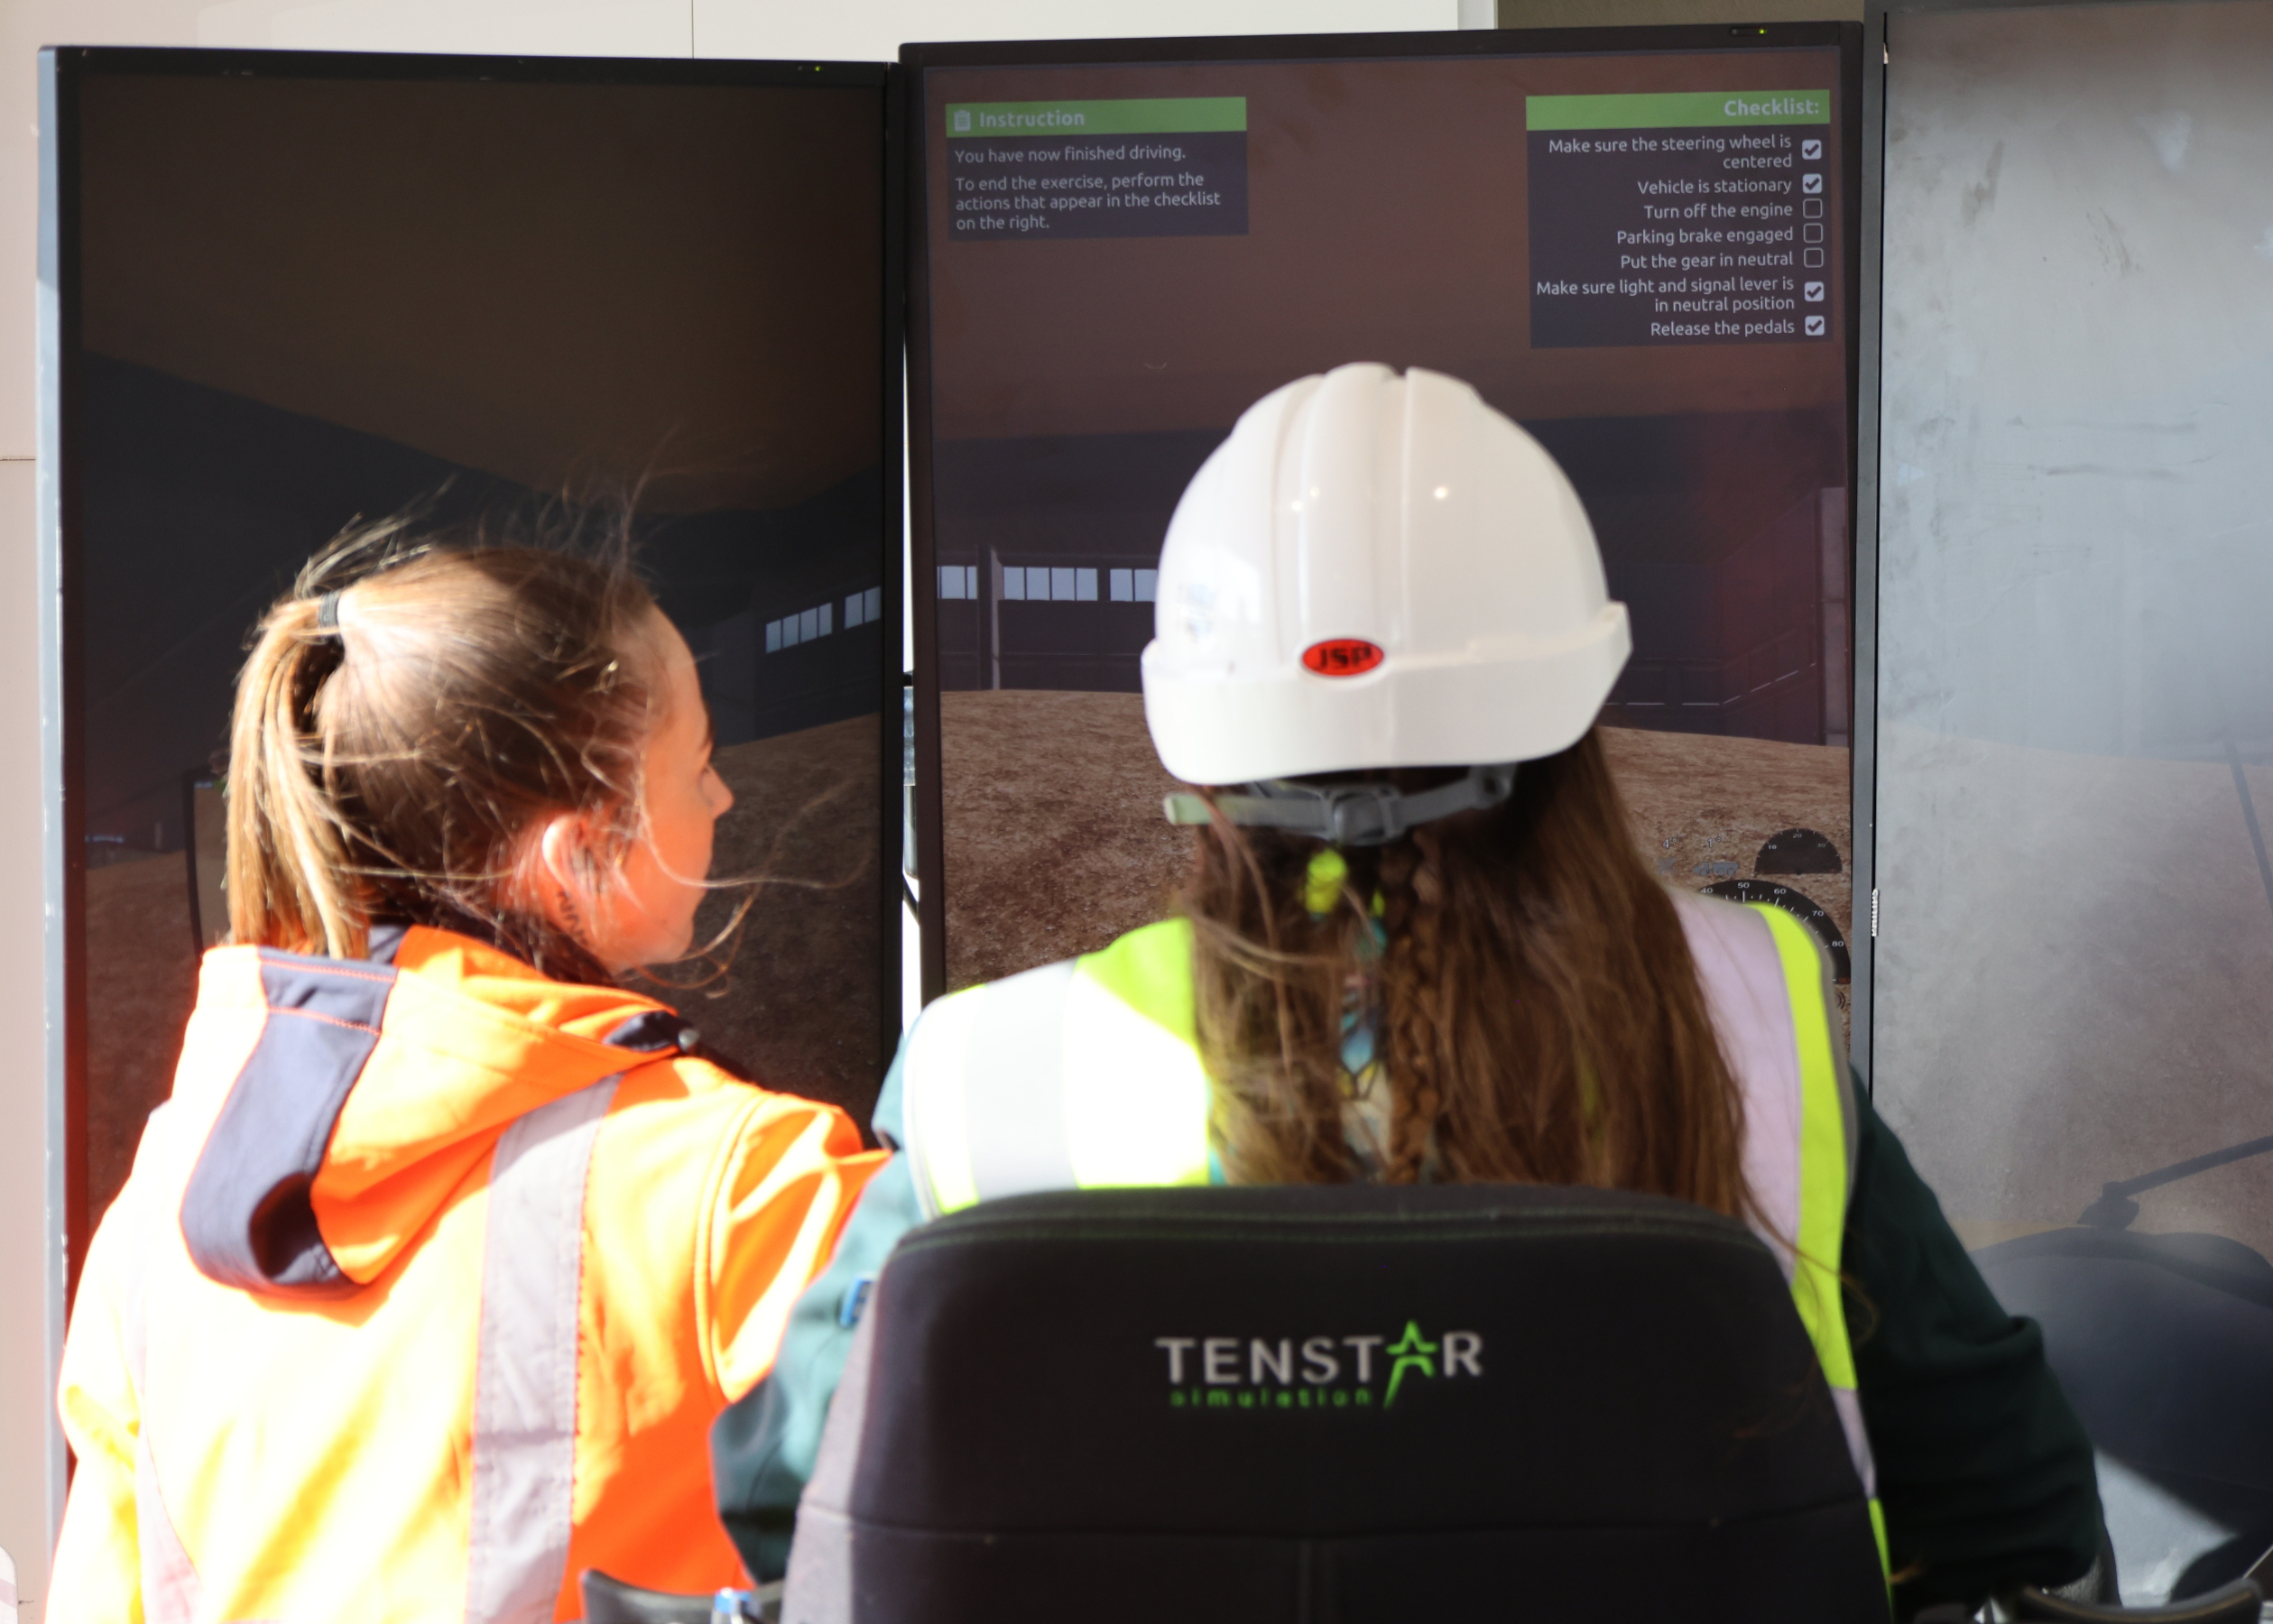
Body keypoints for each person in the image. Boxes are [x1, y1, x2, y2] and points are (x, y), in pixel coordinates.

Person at [714, 364, 2105, 1616]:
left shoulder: (988, 1083)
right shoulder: (1761, 1014)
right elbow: (2010, 1495)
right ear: (1580, 725)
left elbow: (791, 1519)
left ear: (1198, 760)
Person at [53, 520, 887, 1623]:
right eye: (699, 764)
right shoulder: (749, 1185)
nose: (723, 800)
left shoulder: (160, 1203)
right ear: (576, 854)